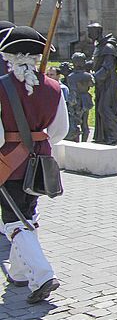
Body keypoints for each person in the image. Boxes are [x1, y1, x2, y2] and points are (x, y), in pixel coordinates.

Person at [0, 26, 69, 303]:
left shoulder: (2, 85)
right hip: (40, 159)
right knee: (27, 214)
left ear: (7, 56)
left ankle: (42, 275)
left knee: (14, 219)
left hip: (9, 161)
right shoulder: (53, 87)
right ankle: (19, 272)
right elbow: (60, 129)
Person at [87, 22, 117, 145]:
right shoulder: (99, 46)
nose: (88, 35)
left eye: (90, 32)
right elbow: (96, 63)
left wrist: (94, 78)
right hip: (101, 83)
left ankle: (114, 134)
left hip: (108, 82)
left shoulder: (108, 47)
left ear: (98, 31)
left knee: (104, 107)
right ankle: (102, 136)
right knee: (100, 108)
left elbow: (107, 67)